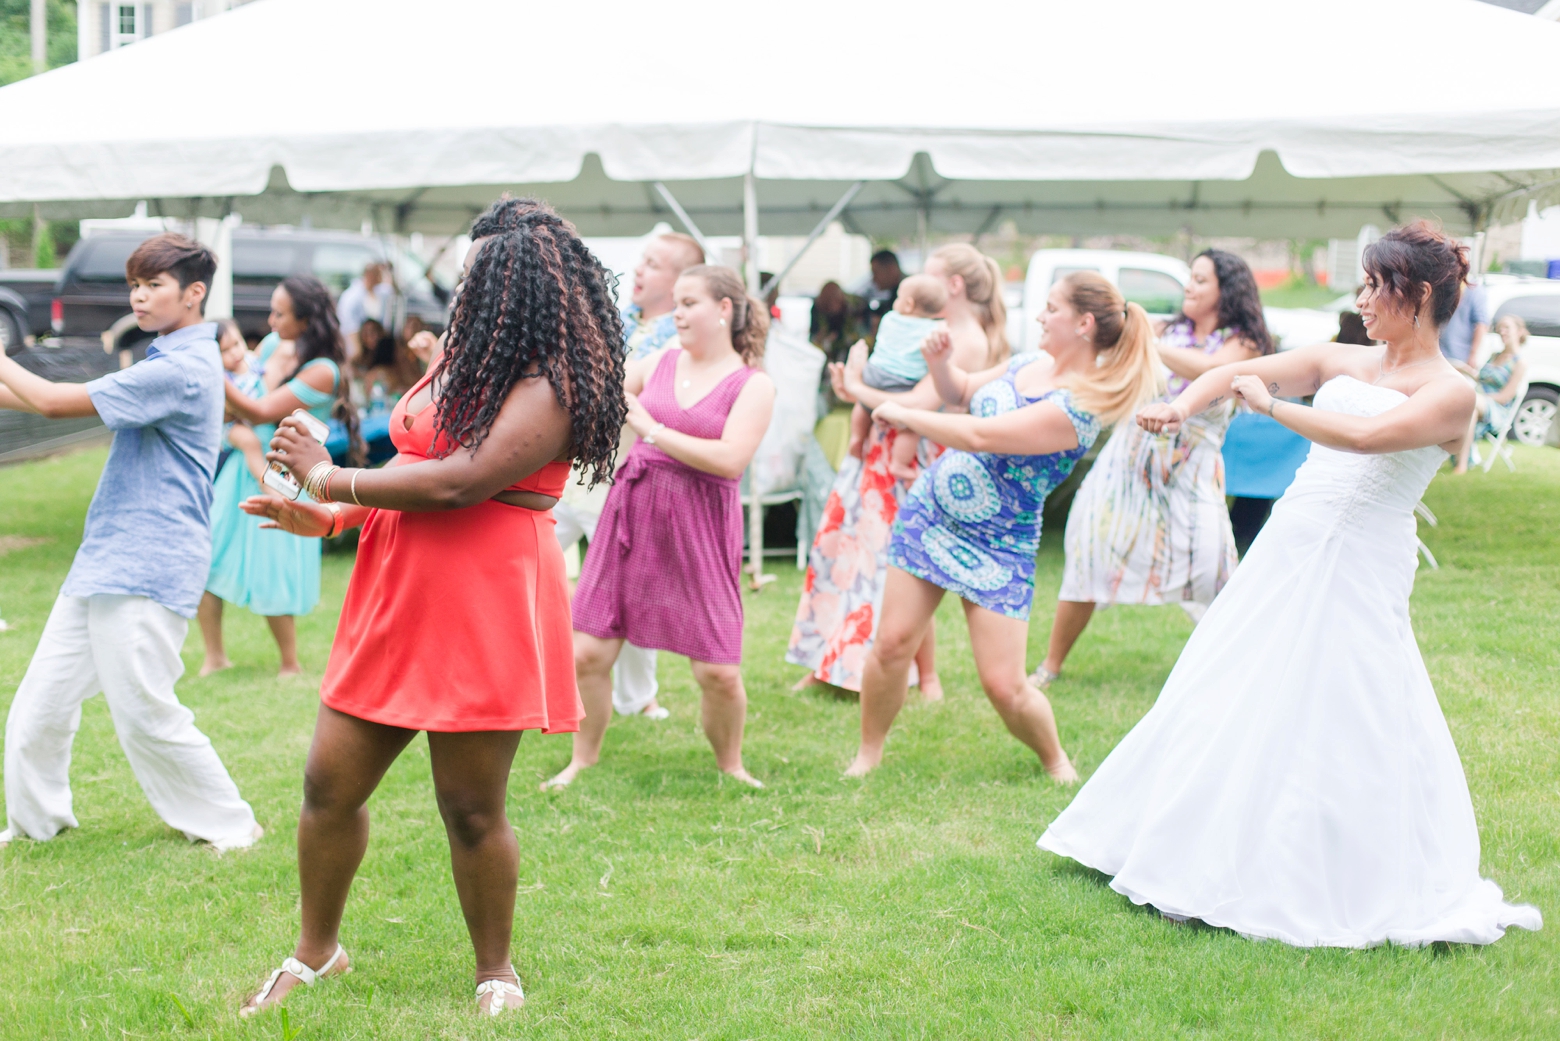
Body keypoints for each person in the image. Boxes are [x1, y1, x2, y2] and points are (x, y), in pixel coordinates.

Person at [1038, 222, 1543, 948]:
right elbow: (1228, 374)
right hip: (1292, 541)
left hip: (1364, 556)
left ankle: (1326, 864)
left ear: (1420, 294)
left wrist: (1271, 407)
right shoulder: (1342, 358)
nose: (1362, 299)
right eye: (1364, 284)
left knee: (1346, 698)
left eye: (1375, 286)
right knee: (1232, 681)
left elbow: (1368, 439)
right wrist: (1181, 407)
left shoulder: (1452, 393)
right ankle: (1189, 846)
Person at [234, 198, 625, 1016]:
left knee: (472, 806)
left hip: (482, 599)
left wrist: (327, 476)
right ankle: (316, 950)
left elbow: (459, 481)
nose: (462, 285)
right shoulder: (462, 361)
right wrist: (331, 515)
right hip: (396, 589)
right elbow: (413, 465)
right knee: (326, 784)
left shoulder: (548, 386)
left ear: (521, 287)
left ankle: (497, 971)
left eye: (478, 274)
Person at [843, 272, 1161, 778]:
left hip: (1000, 543)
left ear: (1082, 323)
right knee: (892, 644)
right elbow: (963, 393)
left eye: (1051, 308)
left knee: (1004, 685)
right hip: (932, 514)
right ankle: (868, 754)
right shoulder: (1030, 363)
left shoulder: (1081, 408)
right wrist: (940, 366)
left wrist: (905, 414)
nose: (1039, 316)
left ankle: (1056, 762)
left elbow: (981, 435)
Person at [0, 234, 260, 851]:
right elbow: (41, 400)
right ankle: (36, 822)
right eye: (134, 286)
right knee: (39, 705)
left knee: (144, 709)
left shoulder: (183, 368)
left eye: (154, 286)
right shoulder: (164, 356)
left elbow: (54, 401)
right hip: (108, 555)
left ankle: (231, 825)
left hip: (150, 559)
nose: (139, 298)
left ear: (194, 294)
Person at [548, 265, 776, 789]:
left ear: (724, 310)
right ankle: (582, 760)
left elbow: (729, 460)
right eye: (675, 302)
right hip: (633, 511)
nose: (677, 312)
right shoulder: (660, 361)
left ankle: (731, 765)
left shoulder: (753, 385)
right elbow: (604, 398)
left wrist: (651, 428)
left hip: (702, 524)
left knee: (716, 670)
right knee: (589, 652)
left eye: (690, 302)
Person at [1036, 250, 1272, 688]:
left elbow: (1215, 373)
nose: (1190, 287)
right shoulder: (1165, 330)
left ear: (1227, 291)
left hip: (1192, 473)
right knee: (1089, 550)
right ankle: (1050, 665)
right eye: (1190, 277)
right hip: (1128, 465)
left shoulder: (1243, 343)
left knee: (1214, 567)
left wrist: (1149, 341)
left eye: (1201, 280)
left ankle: (1238, 667)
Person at [787, 243, 1007, 697]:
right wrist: (859, 392)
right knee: (853, 554)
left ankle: (923, 677)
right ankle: (830, 660)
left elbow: (919, 405)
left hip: (911, 458)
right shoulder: (926, 330)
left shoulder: (962, 339)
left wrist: (856, 388)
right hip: (883, 449)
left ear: (953, 285)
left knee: (895, 565)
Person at [553, 232, 705, 721]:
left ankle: (638, 697)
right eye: (641, 260)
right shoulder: (619, 320)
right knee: (529, 561)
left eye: (653, 264)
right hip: (575, 475)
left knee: (627, 590)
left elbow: (614, 389)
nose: (639, 270)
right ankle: (544, 668)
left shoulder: (679, 340)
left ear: (681, 282)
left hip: (624, 480)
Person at [200, 277, 361, 679]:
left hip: (287, 475)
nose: (270, 321)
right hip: (241, 468)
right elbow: (243, 402)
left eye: (280, 313)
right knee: (208, 556)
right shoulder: (272, 347)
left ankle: (289, 662)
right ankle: (214, 656)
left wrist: (208, 369)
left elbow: (257, 410)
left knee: (274, 563)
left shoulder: (323, 371)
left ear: (305, 320)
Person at [846, 274, 948, 483]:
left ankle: (856, 437)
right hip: (902, 383)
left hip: (874, 372)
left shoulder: (889, 318)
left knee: (863, 405)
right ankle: (899, 464)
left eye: (898, 297)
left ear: (909, 305)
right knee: (910, 425)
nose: (895, 302)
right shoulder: (935, 329)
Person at [1453, 314, 1529, 472]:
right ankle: (1461, 462)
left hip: (1497, 409)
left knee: (1468, 403)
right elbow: (1481, 378)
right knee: (1470, 409)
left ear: (1520, 331)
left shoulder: (1519, 363)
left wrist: (1477, 397)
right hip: (1477, 403)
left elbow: (1505, 396)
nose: (1502, 331)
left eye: (1507, 327)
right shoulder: (1495, 355)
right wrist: (1464, 369)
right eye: (1500, 328)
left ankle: (1462, 464)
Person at [336, 261, 391, 356]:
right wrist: (357, 351)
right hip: (356, 345)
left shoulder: (380, 292)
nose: (381, 277)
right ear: (370, 275)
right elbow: (350, 328)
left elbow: (392, 290)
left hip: (374, 348)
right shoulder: (351, 297)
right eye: (379, 274)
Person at [853, 249, 904, 339]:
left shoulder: (907, 292)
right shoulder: (895, 292)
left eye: (876, 272)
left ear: (891, 269)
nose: (874, 279)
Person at [1438, 275, 1489, 365]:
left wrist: (1473, 355)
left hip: (1460, 358)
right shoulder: (1444, 283)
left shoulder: (1474, 289)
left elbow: (1481, 325)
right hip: (1439, 355)